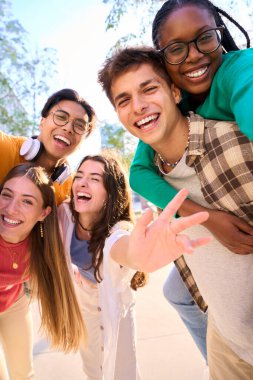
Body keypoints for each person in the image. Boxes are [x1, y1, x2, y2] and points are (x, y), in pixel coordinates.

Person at [98, 46, 253, 379]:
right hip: (226, 343)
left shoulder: (236, 143)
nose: (138, 106)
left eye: (148, 88)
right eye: (123, 100)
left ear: (174, 90)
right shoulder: (155, 174)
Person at [127, 0, 253, 361]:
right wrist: (204, 217)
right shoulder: (172, 100)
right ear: (162, 59)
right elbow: (138, 172)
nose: (194, 57)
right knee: (179, 294)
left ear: (221, 34)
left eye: (204, 39)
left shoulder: (238, 70)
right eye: (176, 49)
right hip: (209, 227)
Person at [58, 152, 210, 380]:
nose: (82, 182)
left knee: (122, 371)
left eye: (95, 179)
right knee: (91, 370)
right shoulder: (63, 214)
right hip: (83, 309)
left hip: (115, 311)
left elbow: (125, 249)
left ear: (110, 193)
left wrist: (141, 257)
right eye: (80, 176)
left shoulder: (119, 230)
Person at [0, 164, 86, 380]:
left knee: (23, 373)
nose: (11, 209)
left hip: (13, 302)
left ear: (43, 213)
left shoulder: (43, 243)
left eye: (27, 201)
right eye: (6, 195)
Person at [0, 88, 96, 205]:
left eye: (80, 126)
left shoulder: (70, 189)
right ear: (42, 122)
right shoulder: (4, 146)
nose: (68, 128)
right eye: (61, 117)